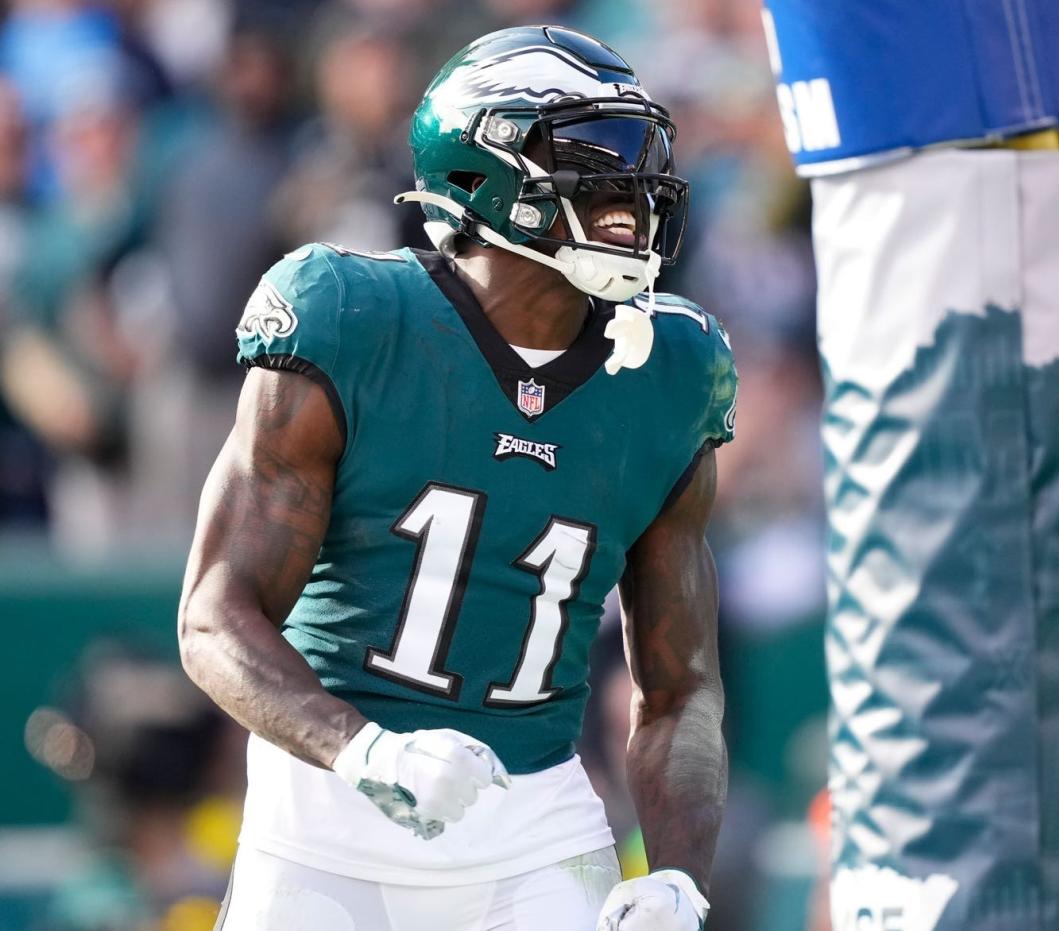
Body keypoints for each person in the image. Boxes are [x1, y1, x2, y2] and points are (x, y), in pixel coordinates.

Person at [178, 24, 738, 931]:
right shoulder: (351, 317)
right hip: (325, 821)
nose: (630, 189)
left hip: (536, 826)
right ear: (484, 165)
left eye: (642, 156)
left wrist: (677, 875)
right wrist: (360, 749)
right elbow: (212, 614)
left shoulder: (669, 372)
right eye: (595, 155)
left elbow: (681, 689)